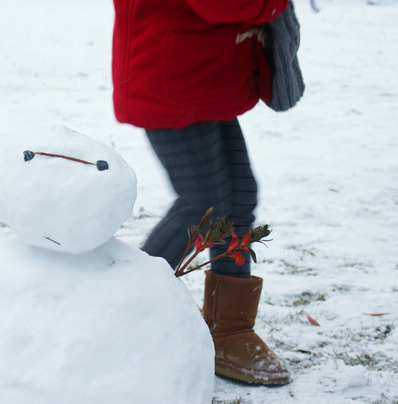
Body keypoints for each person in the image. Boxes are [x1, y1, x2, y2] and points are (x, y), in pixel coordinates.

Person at [111, 0, 291, 385]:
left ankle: (229, 332)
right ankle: (116, 315)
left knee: (238, 198)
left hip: (204, 73)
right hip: (171, 77)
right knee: (203, 206)